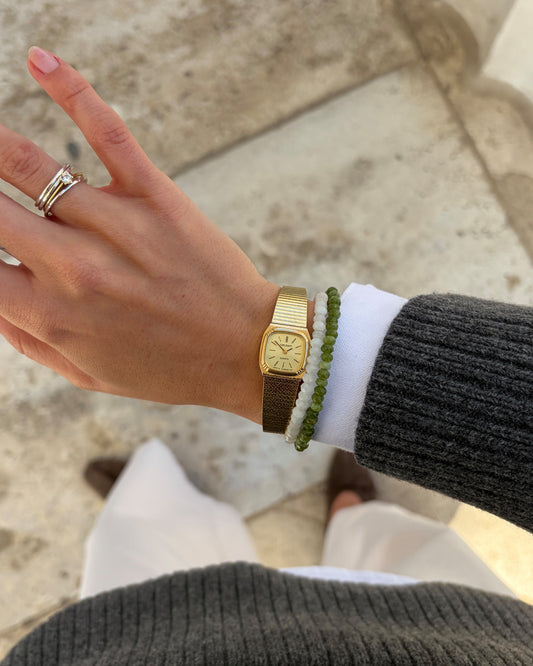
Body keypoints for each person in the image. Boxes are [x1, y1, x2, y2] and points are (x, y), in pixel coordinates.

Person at [0, 46, 531, 665]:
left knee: (141, 540)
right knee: (401, 553)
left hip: (148, 638)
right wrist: (266, 344)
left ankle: (154, 502)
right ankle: (353, 517)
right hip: (450, 632)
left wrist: (248, 351)